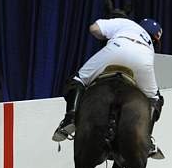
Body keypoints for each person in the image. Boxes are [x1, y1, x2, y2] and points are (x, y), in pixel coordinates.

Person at [52, 16, 165, 159]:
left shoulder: (126, 23)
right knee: (155, 99)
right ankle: (146, 139)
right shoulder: (149, 44)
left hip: (116, 50)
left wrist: (102, 36)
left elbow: (94, 29)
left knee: (78, 80)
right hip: (142, 59)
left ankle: (70, 118)